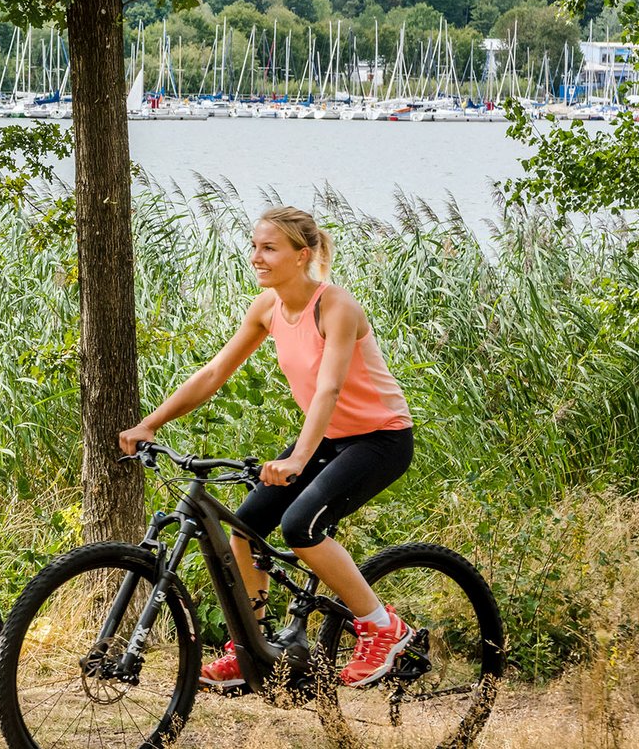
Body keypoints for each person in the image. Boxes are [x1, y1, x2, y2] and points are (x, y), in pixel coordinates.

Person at [118, 205, 416, 690]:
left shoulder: (336, 305)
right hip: (328, 437)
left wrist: (299, 458)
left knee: (301, 526)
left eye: (269, 248)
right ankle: (251, 648)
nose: (256, 257)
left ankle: (383, 628)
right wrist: (149, 423)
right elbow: (214, 373)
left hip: (381, 438)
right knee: (246, 527)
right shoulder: (267, 309)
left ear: (302, 255)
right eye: (254, 247)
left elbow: (329, 390)